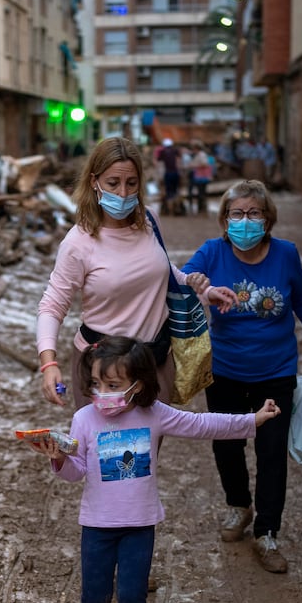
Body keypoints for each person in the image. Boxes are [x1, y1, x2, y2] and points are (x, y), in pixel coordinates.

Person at [27, 336, 280, 603]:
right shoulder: (83, 419)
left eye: (112, 385)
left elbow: (203, 425)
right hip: (97, 526)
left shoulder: (155, 414)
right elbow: (76, 470)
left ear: (139, 383)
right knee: (94, 594)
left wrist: (251, 420)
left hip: (140, 526)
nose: (102, 393)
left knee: (132, 596)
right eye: (96, 385)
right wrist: (59, 457)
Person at [187, 180, 302, 574]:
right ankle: (239, 505)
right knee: (226, 446)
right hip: (224, 370)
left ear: (268, 219)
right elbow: (181, 281)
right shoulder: (212, 252)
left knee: (272, 453)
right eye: (236, 213)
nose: (245, 221)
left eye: (253, 213)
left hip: (275, 372)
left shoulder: (286, 254)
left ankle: (267, 531)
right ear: (224, 220)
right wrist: (200, 289)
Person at [35, 136, 217, 412]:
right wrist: (48, 363)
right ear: (95, 181)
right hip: (102, 372)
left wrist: (203, 289)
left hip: (154, 364)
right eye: (113, 183)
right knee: (103, 454)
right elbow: (52, 304)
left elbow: (162, 272)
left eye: (131, 183)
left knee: (148, 455)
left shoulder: (150, 221)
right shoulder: (78, 242)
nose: (122, 193)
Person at [156, 137, 182, 215]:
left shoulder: (163, 152)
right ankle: (177, 208)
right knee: (176, 191)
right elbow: (179, 162)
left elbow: (158, 162)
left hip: (168, 173)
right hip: (176, 173)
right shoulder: (175, 151)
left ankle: (170, 211)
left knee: (169, 192)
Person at [187, 142, 214, 214]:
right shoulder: (199, 155)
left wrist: (194, 166)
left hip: (201, 176)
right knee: (201, 192)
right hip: (199, 176)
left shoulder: (201, 155)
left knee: (201, 192)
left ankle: (202, 208)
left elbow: (205, 164)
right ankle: (201, 208)